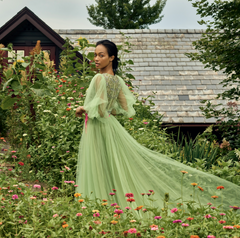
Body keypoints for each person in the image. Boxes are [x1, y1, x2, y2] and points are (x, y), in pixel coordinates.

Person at [75, 40, 240, 211]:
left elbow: (100, 109)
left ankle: (98, 208)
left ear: (111, 58)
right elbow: (125, 109)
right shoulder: (117, 81)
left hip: (98, 127)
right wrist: (108, 111)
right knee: (112, 166)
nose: (96, 58)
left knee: (99, 166)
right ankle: (112, 206)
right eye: (95, 55)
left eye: (101, 55)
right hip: (110, 127)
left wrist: (83, 108)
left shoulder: (99, 78)